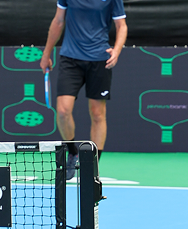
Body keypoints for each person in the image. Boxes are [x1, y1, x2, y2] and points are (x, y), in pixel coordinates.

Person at [39, 0, 127, 179]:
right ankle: (72, 152)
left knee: (97, 114)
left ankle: (92, 166)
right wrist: (46, 54)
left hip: (100, 59)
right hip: (70, 58)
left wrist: (117, 50)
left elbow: (121, 26)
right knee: (63, 111)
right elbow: (58, 21)